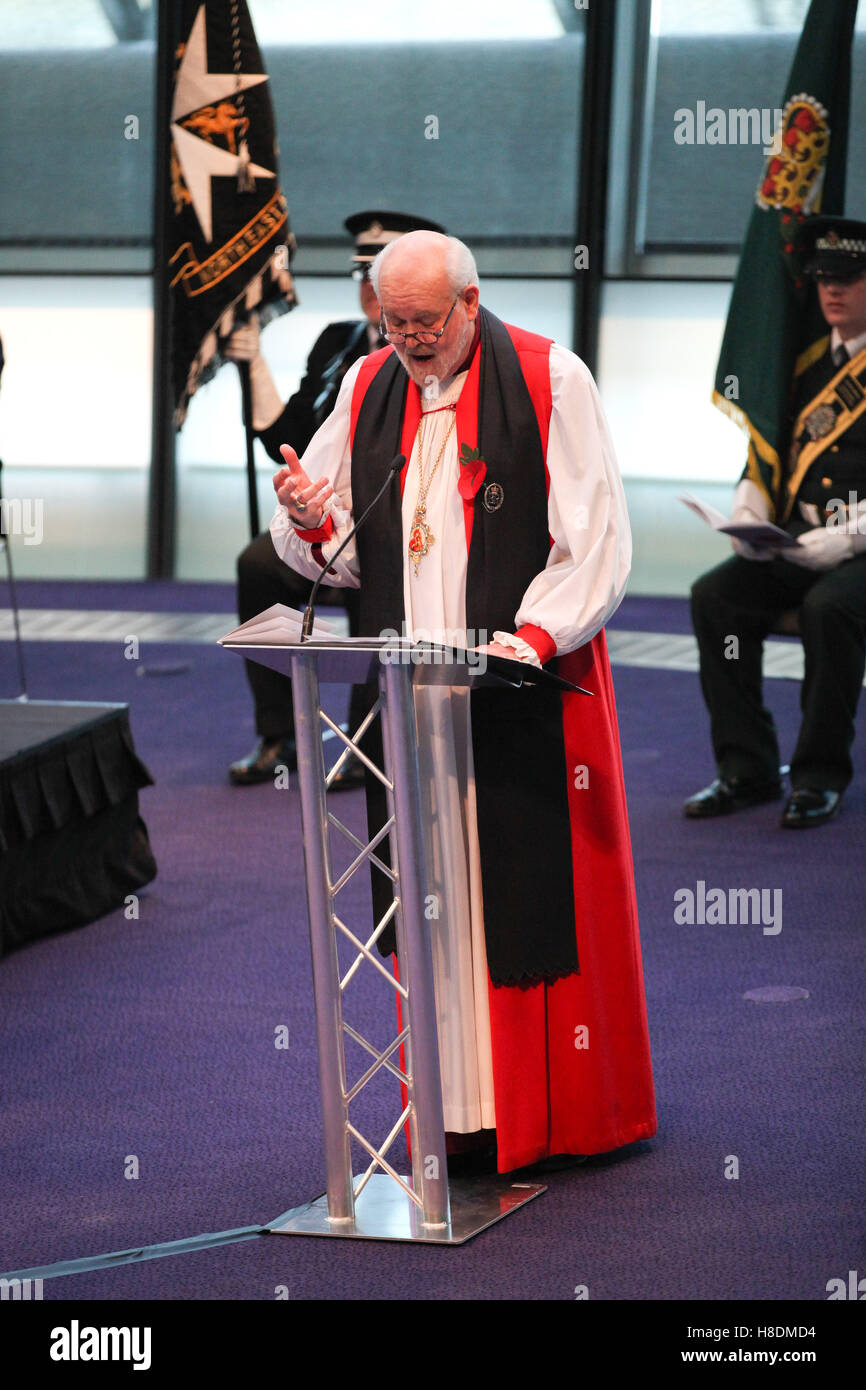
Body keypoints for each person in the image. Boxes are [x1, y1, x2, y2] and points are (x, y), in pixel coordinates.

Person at [267, 230, 656, 1175]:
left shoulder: (550, 378)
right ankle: (459, 1114)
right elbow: (341, 550)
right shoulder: (366, 389)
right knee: (430, 904)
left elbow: (595, 536)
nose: (409, 340)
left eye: (426, 322)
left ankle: (550, 1117)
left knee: (520, 895)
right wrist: (311, 518)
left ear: (471, 304)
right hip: (412, 709)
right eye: (393, 321)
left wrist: (526, 640)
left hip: (518, 689)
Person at [227, 210, 445, 786]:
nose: (367, 288)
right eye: (362, 274)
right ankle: (280, 734)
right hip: (325, 521)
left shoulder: (442, 353)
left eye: (380, 274)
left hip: (404, 524)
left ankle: (369, 742)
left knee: (381, 576)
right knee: (258, 565)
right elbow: (287, 438)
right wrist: (254, 364)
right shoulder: (338, 342)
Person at [686, 216, 866, 829]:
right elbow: (766, 455)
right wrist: (748, 516)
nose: (830, 291)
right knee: (716, 596)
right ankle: (748, 767)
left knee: (829, 609)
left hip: (860, 549)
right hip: (798, 538)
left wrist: (842, 539)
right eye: (821, 278)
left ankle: (819, 775)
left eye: (846, 278)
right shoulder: (803, 364)